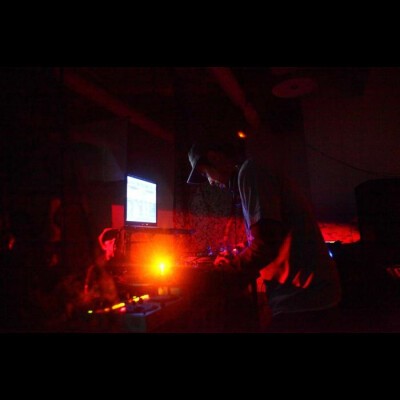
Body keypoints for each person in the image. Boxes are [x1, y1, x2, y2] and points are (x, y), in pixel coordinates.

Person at [186, 138, 342, 332]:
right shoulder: (252, 173)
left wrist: (218, 277)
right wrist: (236, 253)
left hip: (304, 299)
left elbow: (266, 243)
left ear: (214, 158)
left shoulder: (251, 173)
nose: (209, 182)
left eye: (205, 173)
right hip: (307, 295)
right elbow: (267, 235)